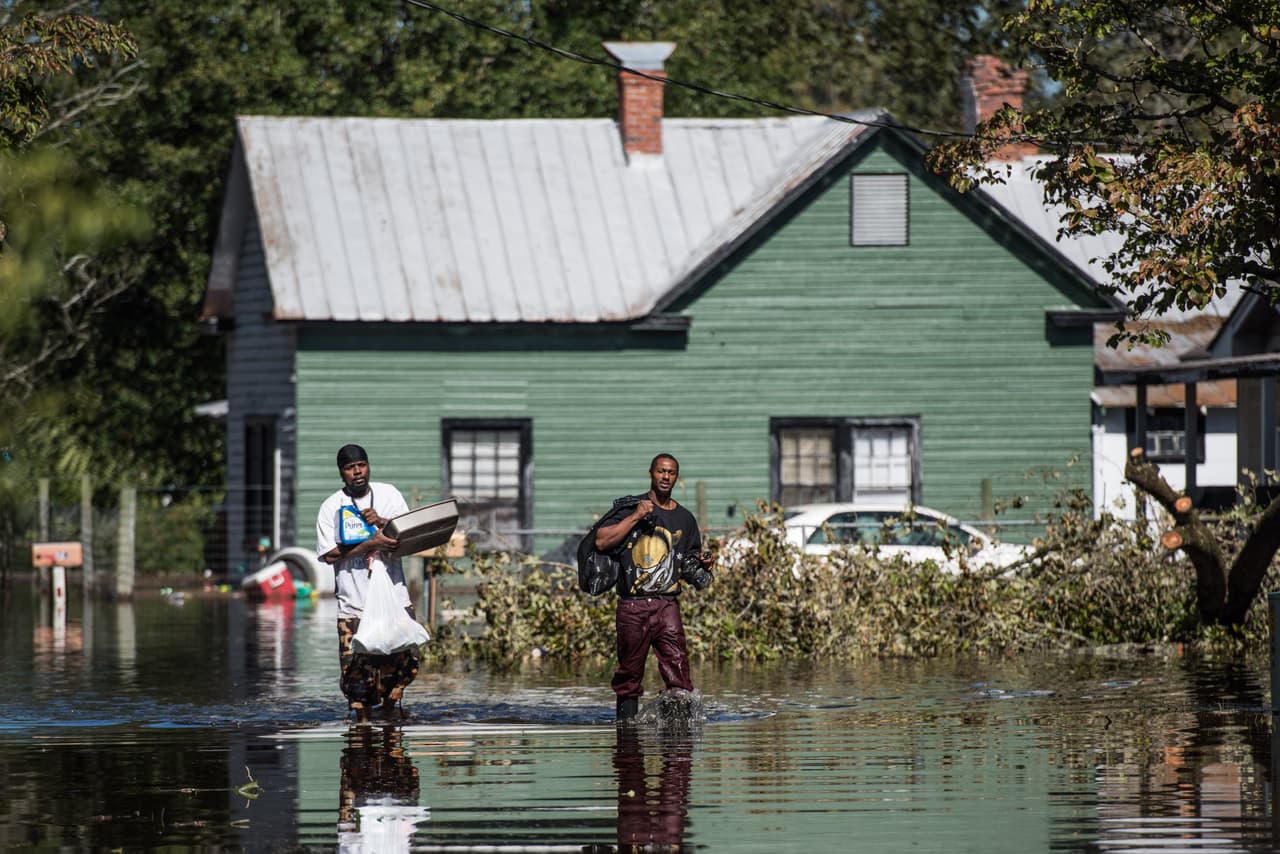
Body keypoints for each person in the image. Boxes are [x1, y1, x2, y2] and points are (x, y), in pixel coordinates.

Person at [593, 453, 713, 722]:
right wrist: (636, 516)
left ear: (676, 478)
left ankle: (679, 744)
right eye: (661, 471)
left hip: (667, 605)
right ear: (651, 473)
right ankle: (626, 736)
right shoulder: (631, 508)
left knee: (679, 673)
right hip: (632, 606)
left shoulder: (685, 519)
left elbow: (691, 563)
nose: (666, 477)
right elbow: (601, 541)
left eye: (671, 473)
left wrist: (705, 566)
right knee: (629, 675)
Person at [316, 443, 419, 721]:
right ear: (342, 473)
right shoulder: (331, 507)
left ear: (368, 466)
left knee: (403, 667)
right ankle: (361, 731)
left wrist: (384, 522)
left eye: (361, 465)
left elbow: (409, 539)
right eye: (350, 468)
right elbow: (328, 554)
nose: (357, 472)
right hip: (355, 606)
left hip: (394, 601)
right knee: (356, 679)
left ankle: (390, 720)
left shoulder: (389, 495)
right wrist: (370, 542)